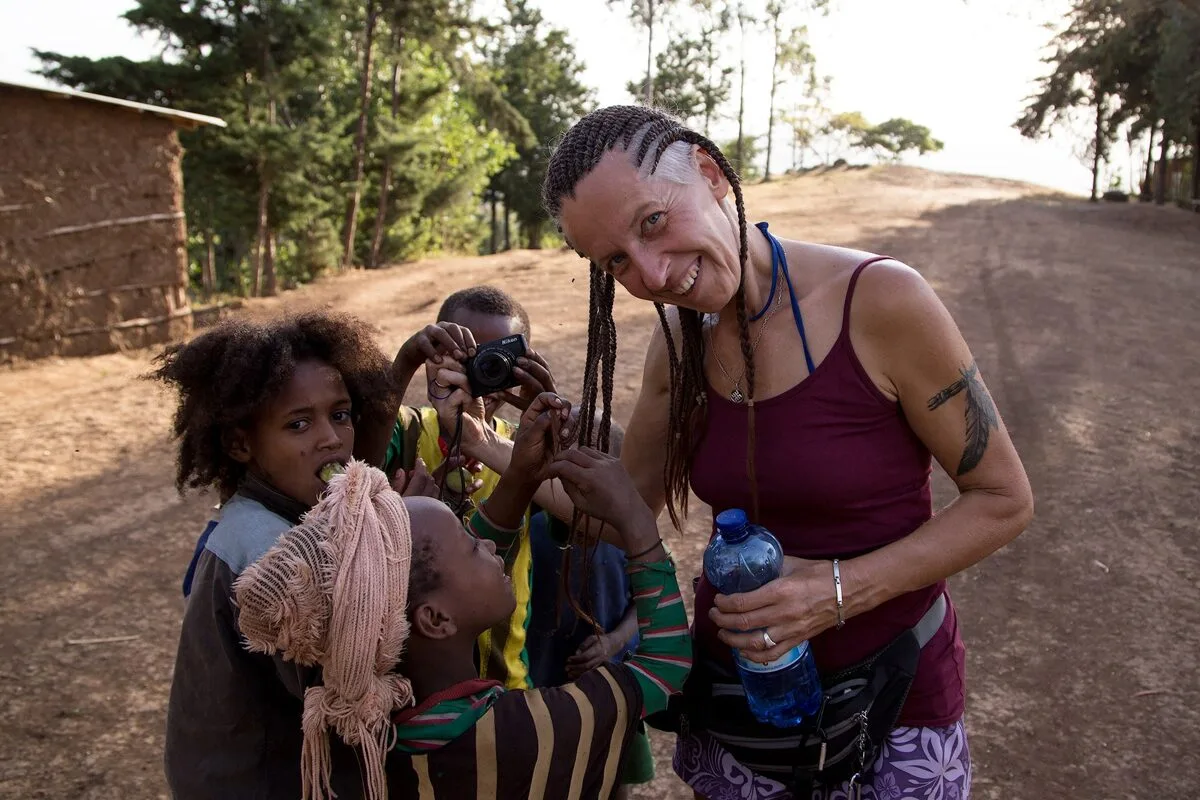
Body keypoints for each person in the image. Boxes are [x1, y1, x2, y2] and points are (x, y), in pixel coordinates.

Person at [530, 106, 1036, 799]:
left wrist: (835, 593)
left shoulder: (882, 299)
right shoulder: (677, 348)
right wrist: (504, 455)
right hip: (742, 721)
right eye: (616, 260)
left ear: (710, 175)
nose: (650, 273)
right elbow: (621, 514)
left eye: (652, 221)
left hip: (892, 705)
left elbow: (1004, 500)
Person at [232, 394, 691, 800]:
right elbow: (666, 670)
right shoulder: (529, 732)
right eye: (473, 546)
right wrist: (636, 522)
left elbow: (450, 578)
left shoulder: (366, 728)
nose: (489, 544)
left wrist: (519, 476)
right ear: (436, 620)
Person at [154, 311, 404, 799]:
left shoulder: (283, 513)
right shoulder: (270, 549)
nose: (331, 438)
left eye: (340, 414)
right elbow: (343, 691)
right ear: (239, 443)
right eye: (298, 424)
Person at [382, 285, 556, 690]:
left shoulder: (522, 445)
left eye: (501, 362)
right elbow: (359, 454)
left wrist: (545, 420)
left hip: (504, 677)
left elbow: (583, 517)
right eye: (471, 359)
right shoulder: (403, 433)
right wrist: (402, 364)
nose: (487, 375)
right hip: (406, 687)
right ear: (434, 360)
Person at [525, 415, 656, 795]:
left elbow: (645, 606)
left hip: (611, 688)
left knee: (611, 775)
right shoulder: (531, 529)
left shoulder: (631, 538)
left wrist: (614, 642)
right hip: (541, 689)